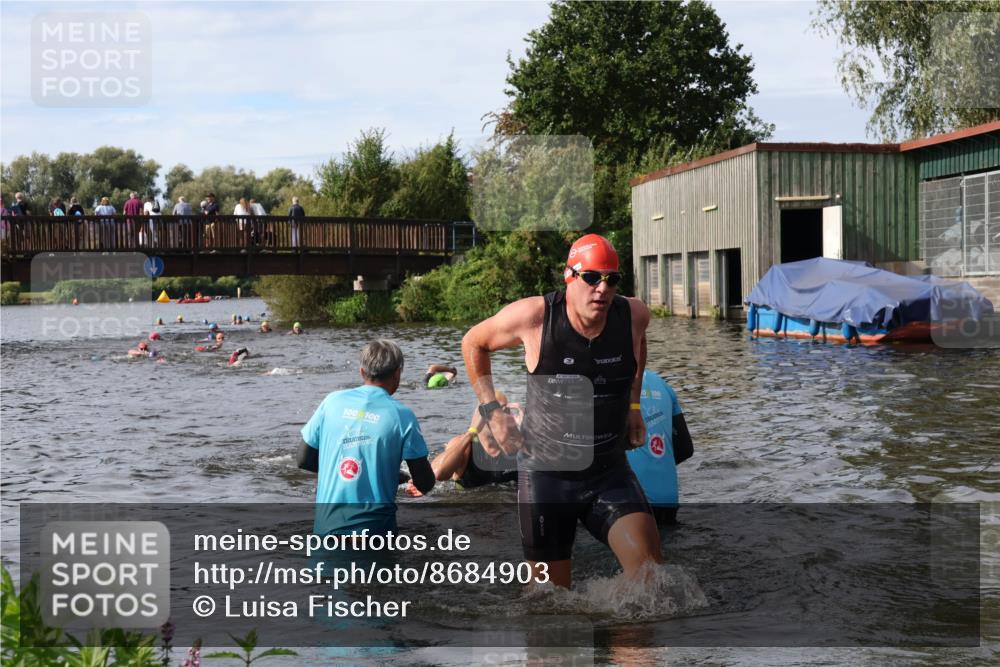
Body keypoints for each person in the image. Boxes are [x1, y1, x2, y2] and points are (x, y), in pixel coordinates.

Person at [461, 233, 659, 589]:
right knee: (549, 603)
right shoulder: (536, 317)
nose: (602, 288)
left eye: (612, 279)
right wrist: (492, 411)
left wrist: (634, 405)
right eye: (592, 277)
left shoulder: (633, 314)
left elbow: (639, 343)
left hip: (608, 471)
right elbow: (473, 342)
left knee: (653, 582)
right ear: (570, 276)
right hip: (547, 476)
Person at [297, 340, 435, 536]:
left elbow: (303, 460)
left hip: (326, 531)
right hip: (376, 534)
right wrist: (393, 476)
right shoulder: (403, 416)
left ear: (362, 372)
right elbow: (425, 482)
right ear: (397, 374)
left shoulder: (331, 402)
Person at [407, 391, 520, 497]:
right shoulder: (465, 445)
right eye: (501, 410)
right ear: (483, 416)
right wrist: (471, 432)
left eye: (508, 410)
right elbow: (438, 474)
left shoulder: (517, 445)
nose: (507, 416)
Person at [626, 370, 694, 525]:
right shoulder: (662, 384)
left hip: (626, 501)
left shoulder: (602, 383)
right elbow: (685, 449)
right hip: (667, 498)